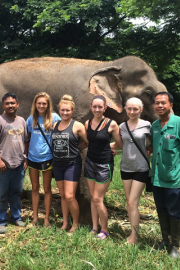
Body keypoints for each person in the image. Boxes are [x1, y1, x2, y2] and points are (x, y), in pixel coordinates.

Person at [149, 92, 180, 258]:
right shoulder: (154, 126)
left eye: (163, 103)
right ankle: (165, 241)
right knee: (161, 210)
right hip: (157, 178)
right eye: (157, 103)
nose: (160, 106)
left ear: (171, 105)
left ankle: (175, 246)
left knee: (175, 212)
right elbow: (155, 147)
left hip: (174, 178)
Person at [0, 93, 29, 234]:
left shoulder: (22, 120)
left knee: (17, 192)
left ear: (17, 104)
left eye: (13, 103)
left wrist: (25, 158)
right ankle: (1, 220)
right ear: (3, 105)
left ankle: (16, 217)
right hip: (4, 164)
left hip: (19, 164)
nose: (10, 105)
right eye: (7, 103)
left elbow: (26, 140)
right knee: (2, 193)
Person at [112, 97, 151, 244]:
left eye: (135, 109)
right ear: (125, 109)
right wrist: (105, 147)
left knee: (133, 202)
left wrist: (150, 150)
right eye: (129, 109)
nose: (132, 111)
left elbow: (154, 143)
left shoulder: (147, 125)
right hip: (126, 167)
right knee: (129, 202)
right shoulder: (122, 126)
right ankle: (132, 231)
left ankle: (134, 237)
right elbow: (119, 144)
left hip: (141, 167)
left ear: (141, 110)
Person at [84, 95, 122, 240]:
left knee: (98, 199)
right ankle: (94, 227)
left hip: (103, 165)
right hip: (90, 163)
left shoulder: (111, 124)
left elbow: (119, 144)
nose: (97, 109)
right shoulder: (88, 123)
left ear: (105, 108)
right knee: (93, 198)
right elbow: (90, 143)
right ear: (91, 108)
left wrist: (109, 147)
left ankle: (104, 230)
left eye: (100, 107)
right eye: (95, 106)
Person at [51, 95, 88, 233]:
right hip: (58, 164)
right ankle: (65, 223)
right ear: (59, 110)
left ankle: (76, 224)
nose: (65, 113)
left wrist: (77, 149)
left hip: (72, 164)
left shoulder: (77, 126)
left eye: (68, 110)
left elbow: (87, 142)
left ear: (72, 111)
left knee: (70, 196)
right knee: (62, 196)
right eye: (62, 110)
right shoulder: (55, 125)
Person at [26, 92, 61, 227]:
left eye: (44, 103)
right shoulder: (31, 119)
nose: (41, 106)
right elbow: (28, 138)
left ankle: (46, 218)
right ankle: (35, 218)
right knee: (35, 188)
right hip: (32, 157)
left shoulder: (55, 118)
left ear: (48, 105)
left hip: (48, 157)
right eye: (39, 103)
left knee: (47, 189)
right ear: (35, 104)